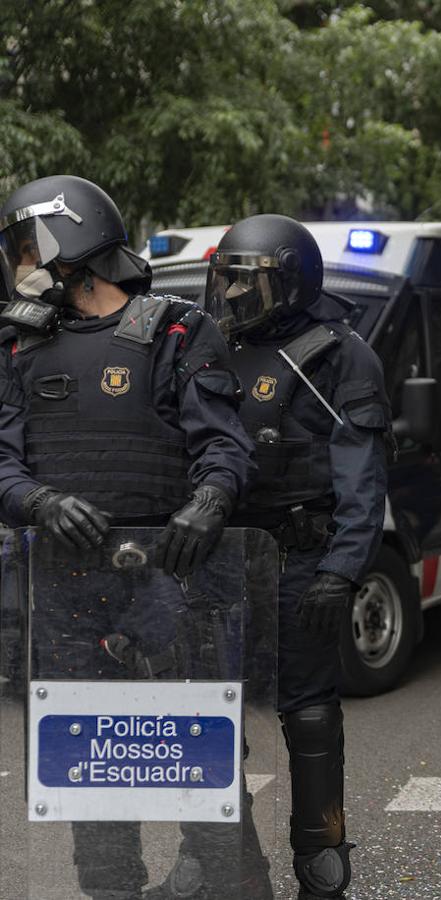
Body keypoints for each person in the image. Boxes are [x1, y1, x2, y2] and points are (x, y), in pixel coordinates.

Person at [0, 175, 257, 897]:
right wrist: (38, 499)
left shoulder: (177, 330)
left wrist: (210, 501)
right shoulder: (15, 346)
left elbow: (225, 445)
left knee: (197, 765)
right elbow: (0, 460)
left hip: (171, 586)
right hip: (66, 592)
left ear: (70, 246)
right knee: (92, 771)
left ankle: (230, 883)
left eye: (27, 250)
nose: (19, 266)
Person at [204, 214, 391, 899]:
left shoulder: (341, 355)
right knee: (208, 715)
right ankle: (230, 861)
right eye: (224, 279)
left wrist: (342, 569)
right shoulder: (209, 346)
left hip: (301, 560)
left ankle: (321, 861)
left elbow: (362, 479)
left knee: (308, 711)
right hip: (217, 564)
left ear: (290, 282)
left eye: (245, 283)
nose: (229, 295)